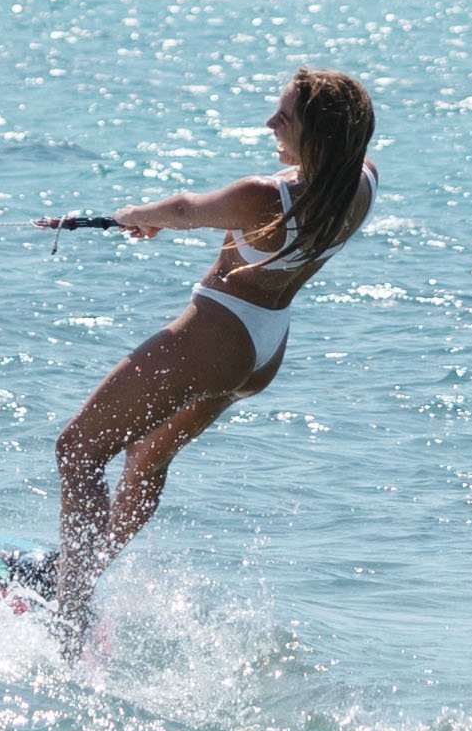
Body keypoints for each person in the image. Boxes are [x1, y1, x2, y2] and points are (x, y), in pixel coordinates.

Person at [46, 67, 376, 642]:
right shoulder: (361, 181)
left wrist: (130, 215)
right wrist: (158, 220)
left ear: (318, 135)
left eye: (285, 117)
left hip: (219, 337)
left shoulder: (262, 195)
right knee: (147, 458)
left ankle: (68, 614)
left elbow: (182, 208)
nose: (270, 122)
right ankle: (81, 578)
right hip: (265, 346)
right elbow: (225, 217)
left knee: (78, 450)